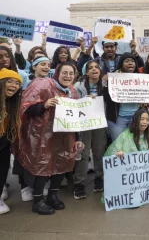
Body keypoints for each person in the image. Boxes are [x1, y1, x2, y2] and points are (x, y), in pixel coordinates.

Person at [16, 63, 83, 215]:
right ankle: (38, 200)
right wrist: (44, 105)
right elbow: (26, 107)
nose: (67, 76)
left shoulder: (73, 92)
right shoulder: (43, 84)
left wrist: (77, 138)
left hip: (64, 136)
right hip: (42, 136)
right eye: (64, 73)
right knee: (43, 166)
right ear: (57, 73)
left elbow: (77, 118)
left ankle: (53, 195)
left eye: (71, 73)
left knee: (62, 163)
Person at [72, 60, 107, 200]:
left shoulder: (106, 85)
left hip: (99, 124)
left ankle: (99, 178)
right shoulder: (78, 86)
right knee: (83, 153)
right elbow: (72, 102)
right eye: (90, 68)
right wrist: (84, 100)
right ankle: (79, 184)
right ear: (86, 72)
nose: (94, 70)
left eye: (96, 67)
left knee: (99, 152)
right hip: (84, 124)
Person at [103, 53, 141, 141]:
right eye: (127, 61)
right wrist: (106, 84)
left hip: (136, 117)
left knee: (135, 145)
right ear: (121, 64)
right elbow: (106, 98)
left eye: (132, 61)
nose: (130, 63)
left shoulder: (142, 79)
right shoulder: (112, 78)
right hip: (117, 118)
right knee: (118, 145)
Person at [0, 69, 23, 214]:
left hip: (3, 144)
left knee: (2, 171)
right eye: (9, 81)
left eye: (17, 83)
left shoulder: (12, 103)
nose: (14, 86)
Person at [77, 39, 143, 75]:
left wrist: (133, 50)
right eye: (106, 47)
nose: (109, 49)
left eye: (111, 46)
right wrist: (90, 47)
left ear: (116, 48)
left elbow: (139, 65)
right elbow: (82, 66)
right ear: (103, 48)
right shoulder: (97, 61)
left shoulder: (123, 60)